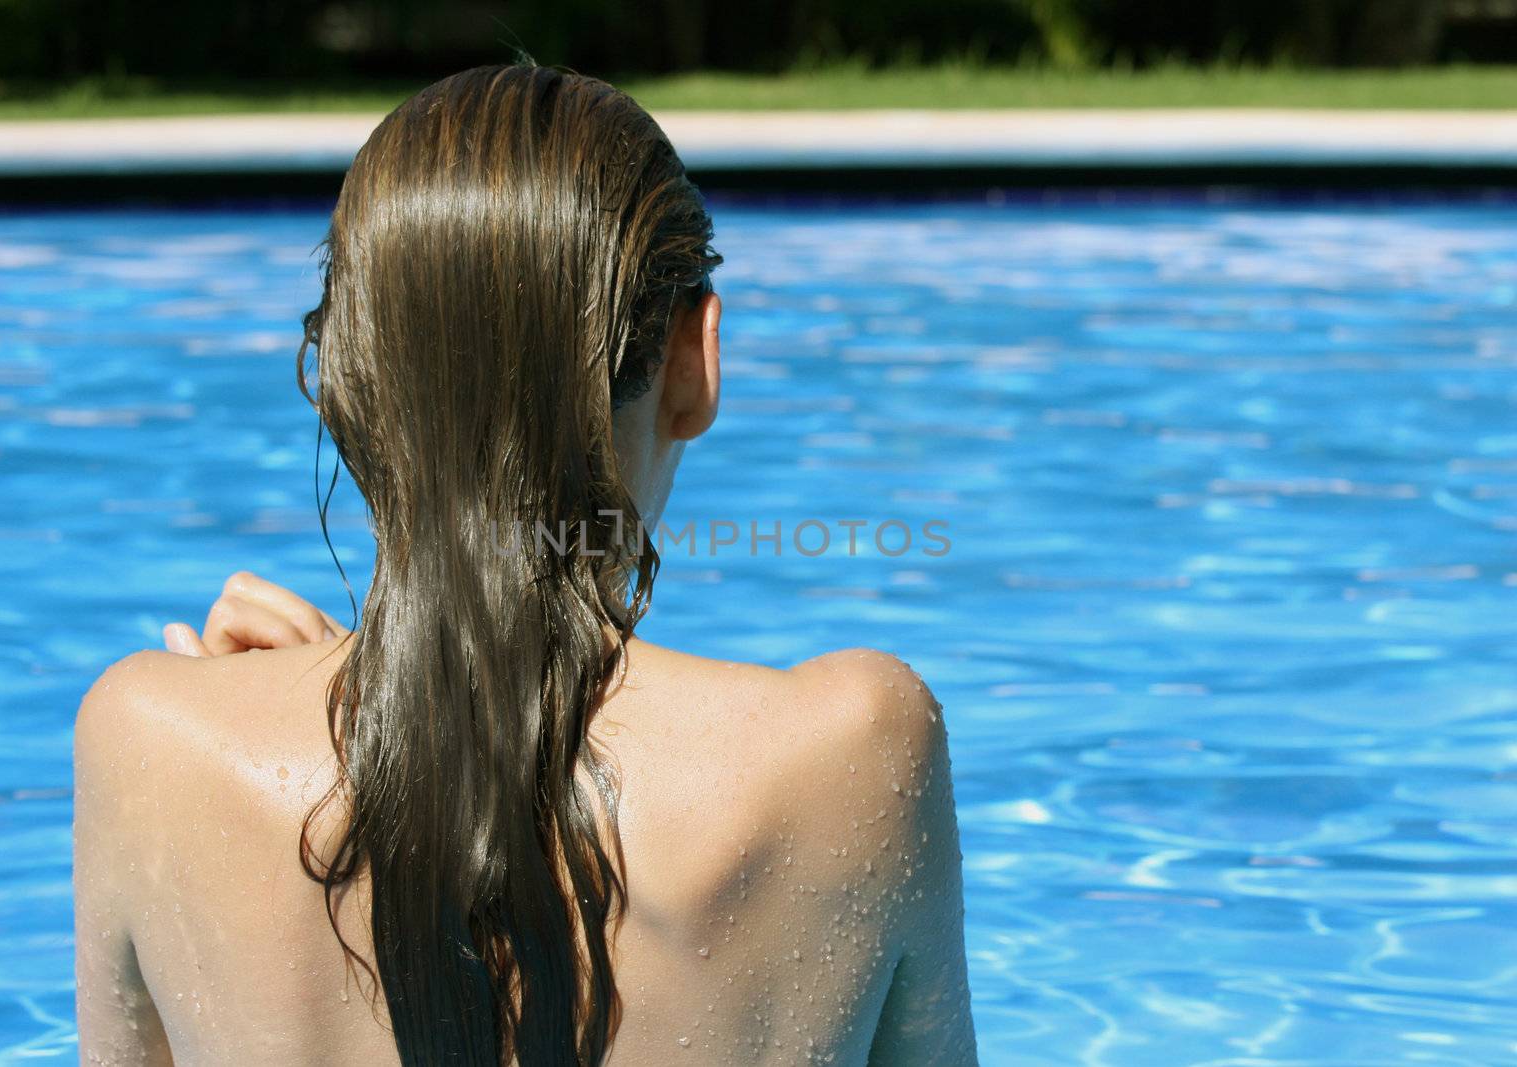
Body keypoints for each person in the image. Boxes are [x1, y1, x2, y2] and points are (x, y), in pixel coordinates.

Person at [74, 64, 975, 1066]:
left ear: (344, 379)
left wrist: (319, 710)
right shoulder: (852, 747)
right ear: (695, 362)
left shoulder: (147, 741)